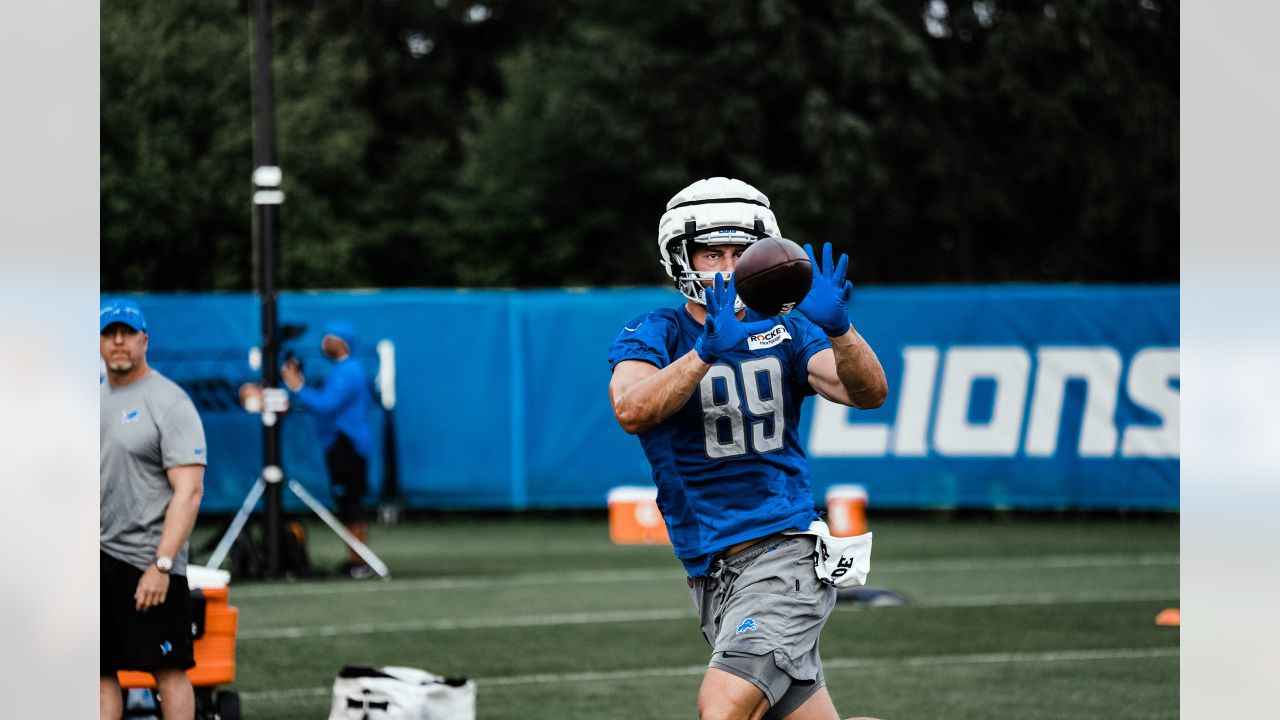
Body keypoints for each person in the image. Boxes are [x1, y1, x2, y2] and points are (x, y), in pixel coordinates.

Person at [607, 177, 889, 720]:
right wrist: (704, 353)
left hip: (781, 555)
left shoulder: (787, 328)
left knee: (723, 710)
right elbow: (631, 409)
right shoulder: (655, 333)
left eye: (742, 252)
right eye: (713, 252)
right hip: (709, 568)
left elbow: (867, 392)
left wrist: (841, 331)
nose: (730, 266)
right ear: (682, 257)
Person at [100, 298, 206, 720]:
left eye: (127, 332)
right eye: (109, 333)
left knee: (168, 671)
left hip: (149, 562)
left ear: (145, 339)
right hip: (97, 559)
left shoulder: (169, 402)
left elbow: (190, 491)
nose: (118, 341)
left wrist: (161, 566)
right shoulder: (92, 398)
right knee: (97, 672)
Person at [281, 320, 376, 578]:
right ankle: (356, 560)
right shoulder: (342, 371)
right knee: (346, 503)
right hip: (339, 444)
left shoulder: (350, 371)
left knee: (351, 504)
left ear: (341, 342)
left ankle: (360, 563)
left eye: (328, 338)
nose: (323, 344)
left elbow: (326, 405)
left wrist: (297, 386)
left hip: (348, 445)